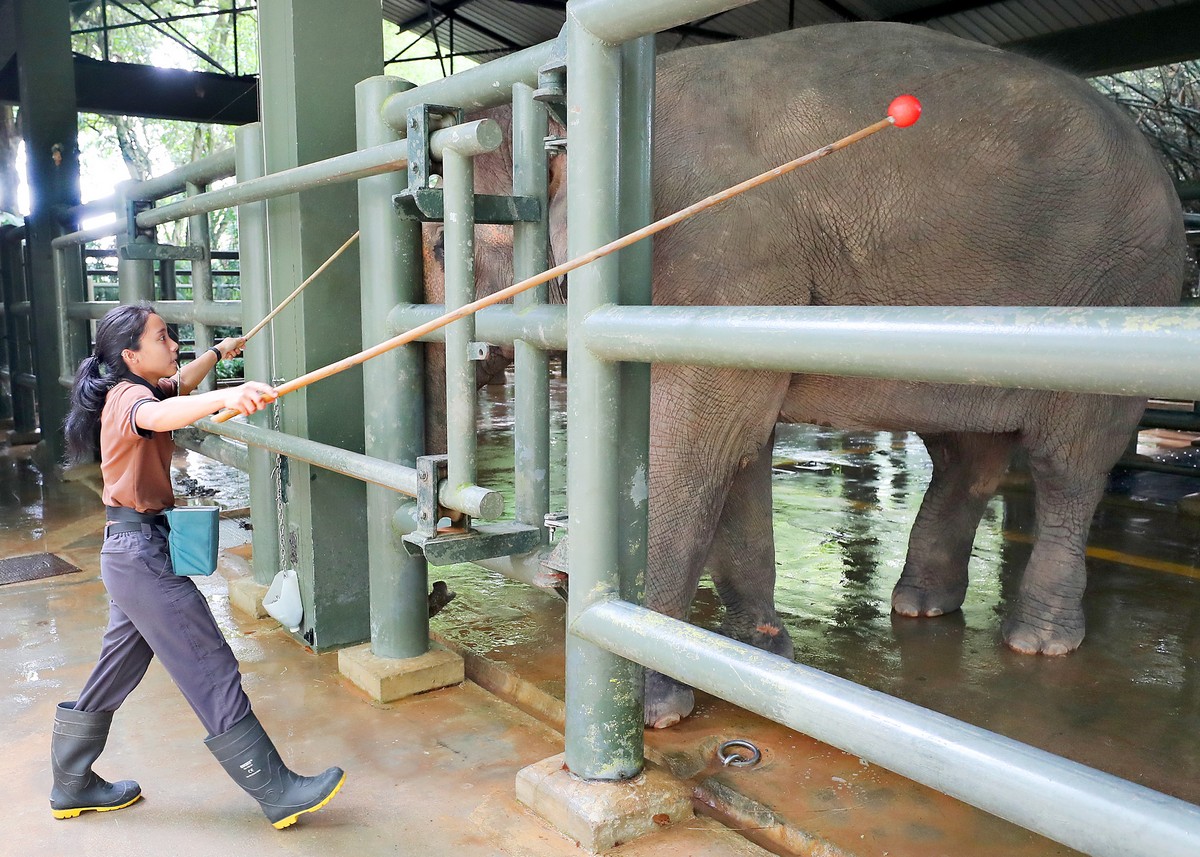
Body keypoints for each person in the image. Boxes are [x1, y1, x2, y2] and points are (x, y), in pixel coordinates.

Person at [51, 302, 345, 829]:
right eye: (162, 337)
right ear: (130, 355)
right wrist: (229, 394)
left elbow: (178, 386)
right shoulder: (129, 400)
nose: (173, 345)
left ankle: (72, 781)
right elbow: (157, 416)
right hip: (141, 557)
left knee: (114, 668)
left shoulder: (137, 386)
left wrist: (217, 354)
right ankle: (276, 789)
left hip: (132, 551)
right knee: (209, 665)